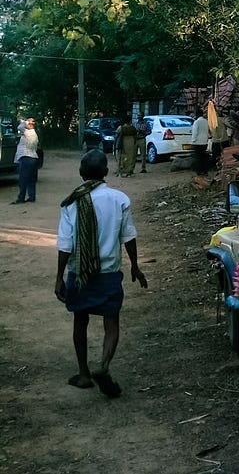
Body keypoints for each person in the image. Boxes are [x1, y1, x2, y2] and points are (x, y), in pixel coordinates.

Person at [54, 149, 148, 397]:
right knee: (112, 322)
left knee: (80, 320)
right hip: (108, 273)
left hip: (80, 273)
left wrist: (59, 278)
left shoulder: (72, 202)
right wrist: (135, 266)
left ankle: (84, 374)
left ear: (81, 173)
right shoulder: (119, 199)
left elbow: (66, 245)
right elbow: (128, 237)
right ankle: (104, 366)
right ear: (106, 172)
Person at [13, 117, 39, 204]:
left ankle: (21, 198)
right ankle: (32, 197)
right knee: (31, 179)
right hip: (33, 157)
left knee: (23, 179)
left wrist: (25, 121)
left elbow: (19, 127)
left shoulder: (27, 132)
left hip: (26, 157)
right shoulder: (35, 134)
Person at [190, 108, 211, 174]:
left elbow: (195, 132)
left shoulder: (196, 122)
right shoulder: (206, 121)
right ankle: (204, 170)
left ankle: (199, 171)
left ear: (197, 114)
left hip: (197, 142)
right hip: (204, 142)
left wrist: (193, 141)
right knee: (203, 157)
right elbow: (208, 131)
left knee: (198, 158)